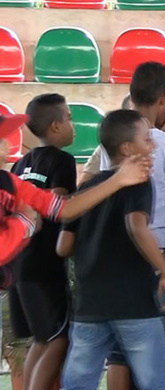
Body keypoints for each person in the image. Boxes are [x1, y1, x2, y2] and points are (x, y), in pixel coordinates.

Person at [52, 109, 165, 390]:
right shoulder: (138, 181)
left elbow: (63, 247)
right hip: (134, 304)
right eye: (146, 139)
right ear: (127, 150)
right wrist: (164, 270)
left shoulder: (88, 187)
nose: (151, 146)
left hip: (90, 305)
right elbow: (136, 227)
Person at [99, 63, 165, 390]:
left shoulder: (114, 136)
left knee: (119, 347)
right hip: (164, 245)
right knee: (159, 341)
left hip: (122, 247)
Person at [4, 94, 76, 390]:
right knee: (58, 339)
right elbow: (55, 205)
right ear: (56, 125)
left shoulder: (20, 164)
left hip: (17, 264)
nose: (74, 125)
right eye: (70, 118)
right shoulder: (62, 161)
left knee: (41, 340)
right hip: (43, 267)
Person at [0, 113, 150, 275]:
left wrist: (118, 180)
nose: (6, 144)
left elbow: (64, 209)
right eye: (2, 139)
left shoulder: (8, 181)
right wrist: (22, 222)